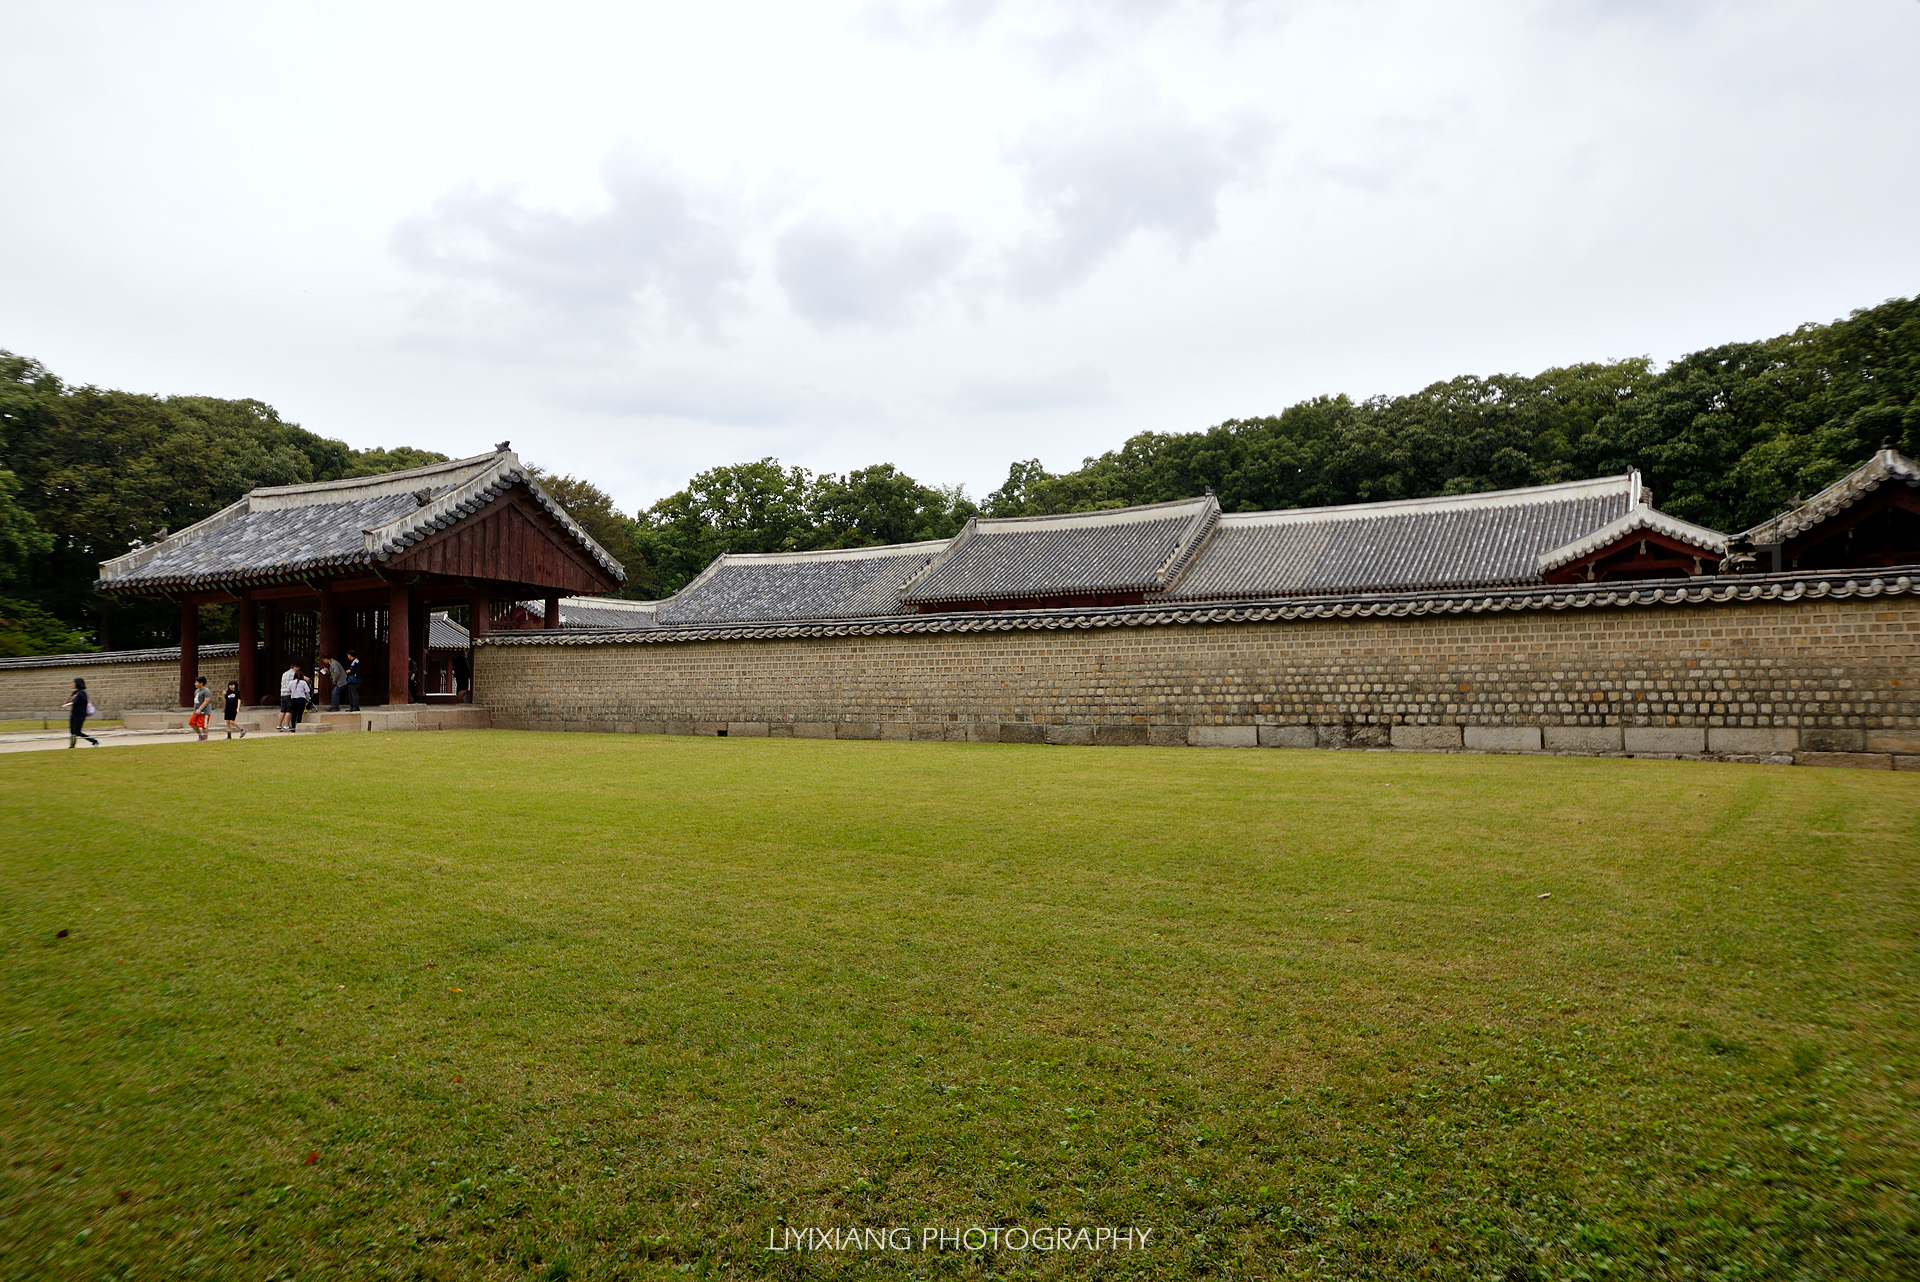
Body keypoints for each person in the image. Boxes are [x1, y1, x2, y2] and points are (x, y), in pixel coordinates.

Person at [61, 677, 100, 748]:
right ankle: (72, 746)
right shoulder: (75, 693)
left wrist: (66, 705)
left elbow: (75, 702)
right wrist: (70, 699)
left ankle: (94, 741)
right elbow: (70, 701)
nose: (72, 684)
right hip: (74, 714)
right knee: (72, 731)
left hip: (80, 715)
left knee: (77, 732)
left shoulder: (82, 693)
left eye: (73, 682)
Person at [188, 675, 212, 741]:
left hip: (204, 711)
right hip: (196, 710)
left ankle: (205, 738)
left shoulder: (206, 691)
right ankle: (200, 735)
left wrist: (200, 709)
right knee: (192, 722)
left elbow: (206, 701)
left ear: (201, 683)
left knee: (204, 725)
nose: (195, 684)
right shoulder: (196, 691)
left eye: (196, 682)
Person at [277, 661, 298, 731]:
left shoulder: (284, 673)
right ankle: (286, 726)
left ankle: (278, 726)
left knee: (282, 710)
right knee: (289, 710)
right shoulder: (294, 673)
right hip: (289, 694)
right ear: (295, 667)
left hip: (283, 693)